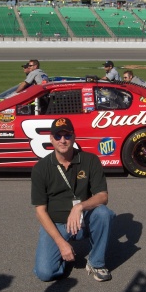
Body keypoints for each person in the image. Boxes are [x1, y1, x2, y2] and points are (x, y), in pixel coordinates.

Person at [31, 118, 115, 282]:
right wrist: (60, 243)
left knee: (104, 213)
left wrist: (79, 207)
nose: (63, 140)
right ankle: (63, 254)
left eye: (67, 135)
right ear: (51, 139)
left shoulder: (90, 160)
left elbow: (103, 196)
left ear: (74, 137)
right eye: (58, 136)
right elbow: (40, 211)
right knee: (45, 273)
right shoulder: (41, 168)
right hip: (57, 224)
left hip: (83, 219)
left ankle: (96, 262)